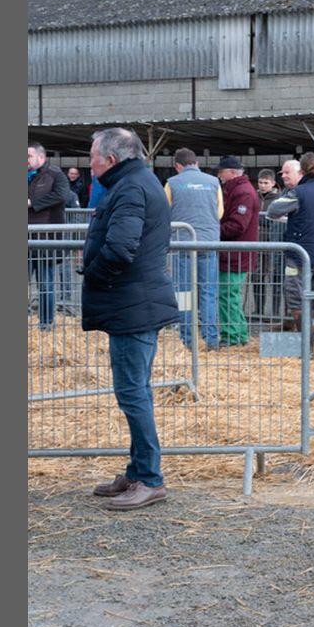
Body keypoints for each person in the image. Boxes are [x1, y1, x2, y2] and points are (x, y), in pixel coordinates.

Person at [79, 127, 181, 511]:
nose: (90, 164)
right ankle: (138, 470)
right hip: (136, 302)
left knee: (133, 393)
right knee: (137, 391)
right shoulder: (138, 181)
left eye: (92, 157)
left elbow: (121, 248)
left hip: (132, 304)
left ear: (111, 159)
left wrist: (95, 273)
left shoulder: (130, 188)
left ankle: (150, 479)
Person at [264, 153, 314, 342]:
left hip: (300, 255)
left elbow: (273, 210)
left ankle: (307, 349)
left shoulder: (299, 192)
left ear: (302, 170)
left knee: (297, 298)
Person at [165, 148, 224, 349]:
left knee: (184, 292)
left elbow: (165, 212)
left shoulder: (172, 183)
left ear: (177, 166)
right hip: (208, 243)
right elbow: (220, 212)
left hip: (183, 244)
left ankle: (187, 340)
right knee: (209, 291)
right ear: (196, 163)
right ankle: (211, 339)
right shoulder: (214, 182)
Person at [215, 156, 261, 347]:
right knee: (231, 295)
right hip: (234, 252)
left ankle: (232, 336)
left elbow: (237, 225)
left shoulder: (243, 192)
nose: (219, 176)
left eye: (221, 172)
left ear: (232, 172)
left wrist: (212, 232)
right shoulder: (239, 190)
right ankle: (239, 334)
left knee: (228, 294)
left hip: (235, 253)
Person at [27, 143, 70, 330]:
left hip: (46, 236)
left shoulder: (55, 174)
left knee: (45, 281)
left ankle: (46, 322)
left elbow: (61, 195)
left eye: (28, 156)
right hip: (27, 237)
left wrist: (33, 203)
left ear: (41, 157)